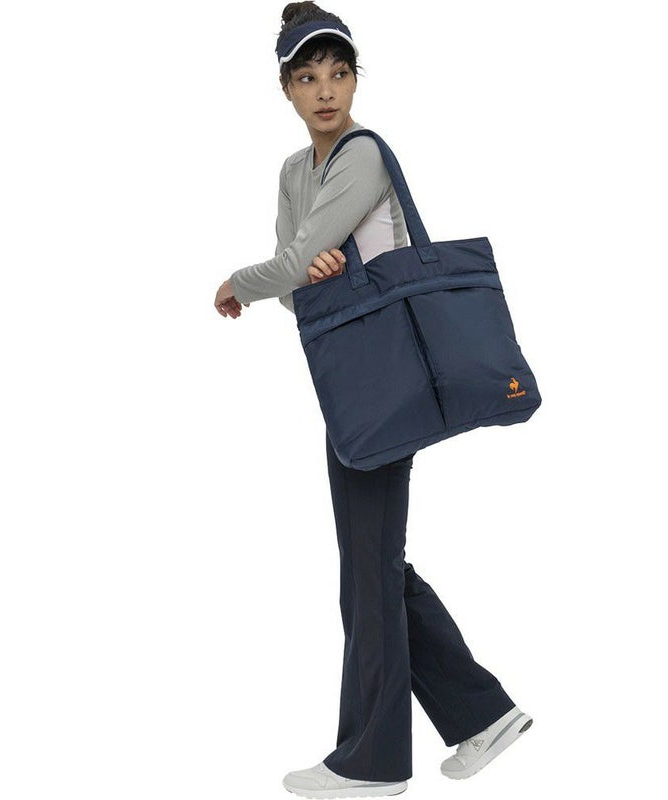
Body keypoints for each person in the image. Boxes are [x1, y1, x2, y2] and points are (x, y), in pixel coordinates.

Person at [214, 3, 533, 797]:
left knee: (368, 568)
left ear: (357, 79)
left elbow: (285, 266)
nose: (325, 91)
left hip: (386, 378)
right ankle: (482, 714)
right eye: (307, 77)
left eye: (339, 73)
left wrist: (239, 282)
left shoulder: (361, 156)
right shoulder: (294, 172)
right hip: (353, 381)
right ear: (286, 89)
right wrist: (300, 274)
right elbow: (297, 282)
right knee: (374, 562)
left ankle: (373, 762)